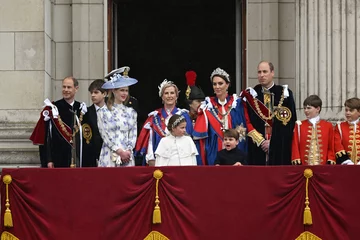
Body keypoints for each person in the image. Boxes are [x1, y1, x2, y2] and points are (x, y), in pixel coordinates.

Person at [241, 61, 296, 165]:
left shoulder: (285, 93)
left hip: (279, 146)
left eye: (265, 72)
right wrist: (261, 141)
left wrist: (273, 142)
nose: (262, 75)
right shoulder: (252, 95)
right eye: (259, 72)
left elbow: (290, 122)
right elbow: (246, 121)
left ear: (272, 73)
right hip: (257, 146)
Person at [193, 67, 248, 165]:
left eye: (220, 83)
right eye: (214, 84)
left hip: (235, 150)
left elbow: (242, 128)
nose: (217, 86)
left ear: (227, 85)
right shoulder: (208, 105)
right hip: (214, 149)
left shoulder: (237, 103)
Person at [30, 76, 87, 168]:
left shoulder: (81, 108)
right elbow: (47, 137)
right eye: (64, 87)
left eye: (69, 87)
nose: (65, 90)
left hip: (77, 159)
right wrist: (48, 159)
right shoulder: (53, 108)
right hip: (58, 158)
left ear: (76, 89)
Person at [135, 79, 193, 166]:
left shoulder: (184, 115)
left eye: (172, 93)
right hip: (160, 161)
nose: (169, 96)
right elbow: (150, 140)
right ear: (162, 97)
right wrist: (151, 159)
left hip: (180, 161)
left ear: (176, 96)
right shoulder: (154, 117)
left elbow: (188, 140)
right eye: (166, 93)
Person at [97, 71, 138, 167]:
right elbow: (105, 135)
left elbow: (133, 134)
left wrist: (128, 150)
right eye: (121, 90)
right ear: (114, 91)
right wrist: (119, 151)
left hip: (127, 156)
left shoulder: (131, 112)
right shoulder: (103, 112)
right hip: (110, 155)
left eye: (126, 90)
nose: (124, 93)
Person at [291, 95, 336, 165]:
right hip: (304, 165)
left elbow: (331, 145)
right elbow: (295, 144)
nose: (306, 110)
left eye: (309, 108)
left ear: (318, 109)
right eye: (304, 108)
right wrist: (296, 158)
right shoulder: (299, 125)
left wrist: (331, 158)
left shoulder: (328, 125)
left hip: (323, 165)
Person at [81, 79, 106, 167]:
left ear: (104, 94)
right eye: (91, 92)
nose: (92, 95)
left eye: (96, 92)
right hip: (92, 157)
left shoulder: (112, 111)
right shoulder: (86, 113)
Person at [334, 97, 360, 165]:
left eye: (351, 110)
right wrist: (346, 161)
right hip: (344, 166)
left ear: (359, 112)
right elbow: (337, 145)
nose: (347, 113)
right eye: (346, 110)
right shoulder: (339, 126)